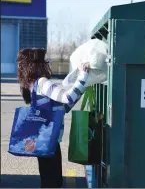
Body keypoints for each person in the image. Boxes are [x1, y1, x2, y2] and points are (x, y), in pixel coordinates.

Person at [17, 48, 90, 188]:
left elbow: (62, 108)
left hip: (43, 140)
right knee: (53, 182)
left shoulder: (33, 84)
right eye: (45, 61)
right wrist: (83, 75)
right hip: (49, 141)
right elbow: (67, 97)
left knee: (49, 181)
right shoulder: (43, 83)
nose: (48, 63)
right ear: (37, 64)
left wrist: (81, 88)